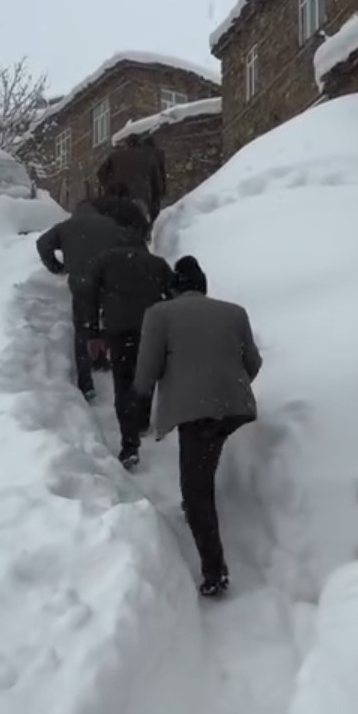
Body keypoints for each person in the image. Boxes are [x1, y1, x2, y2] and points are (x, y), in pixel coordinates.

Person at [135, 255, 262, 598]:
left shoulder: (159, 314)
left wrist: (140, 409)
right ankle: (197, 511)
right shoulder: (234, 312)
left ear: (174, 288)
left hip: (196, 413)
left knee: (196, 487)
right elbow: (253, 361)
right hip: (233, 408)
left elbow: (146, 372)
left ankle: (214, 571)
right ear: (203, 286)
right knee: (203, 466)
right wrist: (228, 388)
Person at [35, 196, 148, 401]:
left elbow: (42, 243)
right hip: (110, 282)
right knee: (109, 321)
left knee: (82, 329)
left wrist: (57, 267)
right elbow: (135, 243)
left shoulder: (65, 227)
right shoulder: (110, 225)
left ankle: (86, 384)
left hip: (82, 284)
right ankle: (107, 359)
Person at [82, 240, 173, 468]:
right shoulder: (157, 264)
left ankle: (129, 444)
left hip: (119, 330)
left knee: (123, 383)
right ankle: (142, 421)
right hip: (151, 328)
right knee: (147, 374)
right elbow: (173, 295)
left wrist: (93, 333)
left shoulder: (106, 260)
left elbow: (88, 294)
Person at [97, 133, 166, 224]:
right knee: (139, 228)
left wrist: (110, 186)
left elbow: (100, 173)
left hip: (119, 198)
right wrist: (155, 201)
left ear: (127, 144)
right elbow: (156, 183)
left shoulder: (115, 156)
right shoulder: (149, 158)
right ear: (140, 144)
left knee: (118, 225)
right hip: (141, 199)